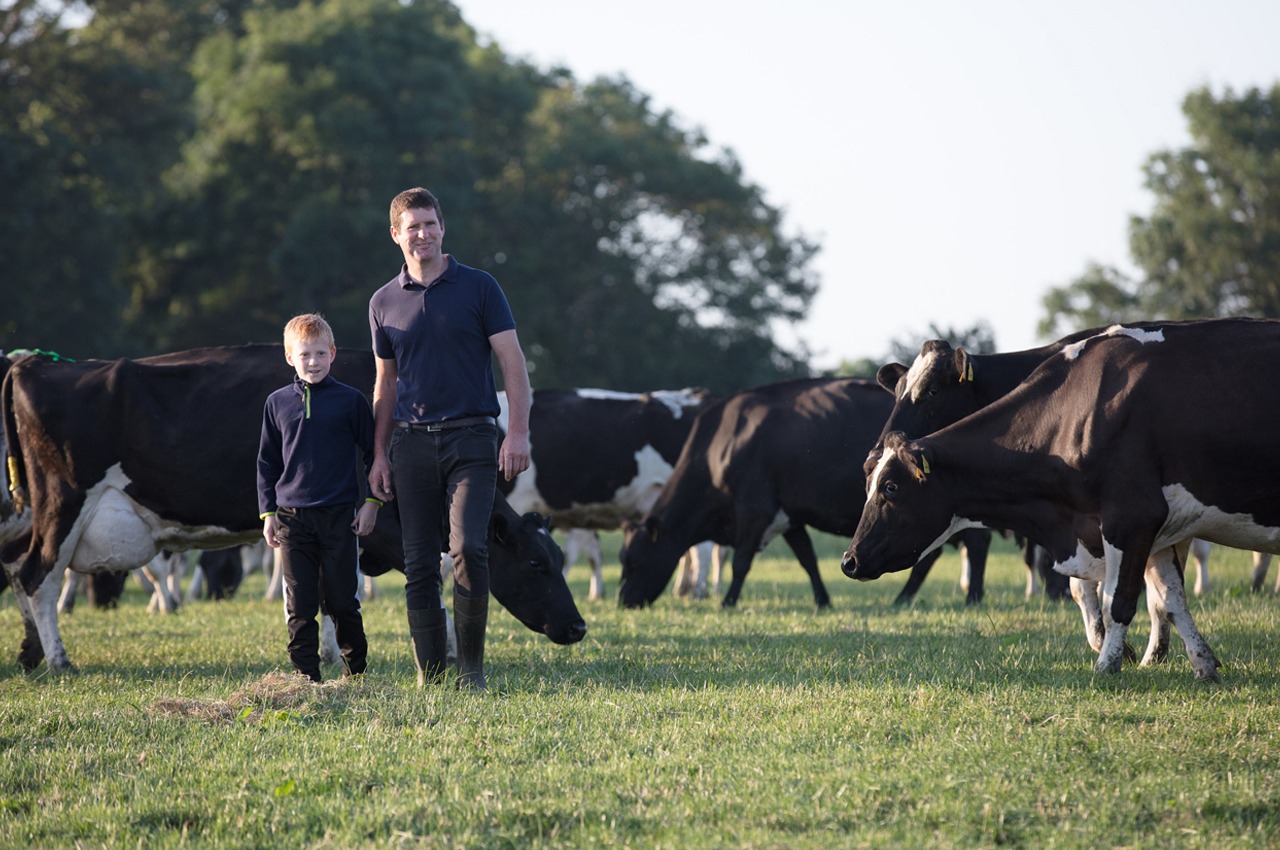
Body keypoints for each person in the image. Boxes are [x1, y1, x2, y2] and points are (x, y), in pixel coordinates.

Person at [367, 187, 532, 692]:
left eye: (430, 224)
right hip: (411, 443)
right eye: (412, 227)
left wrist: (518, 432)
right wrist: (379, 454)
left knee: (468, 548)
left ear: (443, 227)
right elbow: (385, 384)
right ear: (396, 235)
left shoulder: (480, 287)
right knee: (418, 560)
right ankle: (430, 674)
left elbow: (512, 362)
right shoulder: (383, 302)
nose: (423, 234)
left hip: (473, 437)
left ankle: (471, 671)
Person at [257, 313, 381, 682]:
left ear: (333, 353)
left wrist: (371, 503)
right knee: (299, 605)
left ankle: (355, 675)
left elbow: (374, 455)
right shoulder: (277, 403)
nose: (313, 362)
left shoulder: (351, 401)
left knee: (343, 601)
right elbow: (266, 462)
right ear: (289, 357)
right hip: (292, 520)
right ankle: (305, 678)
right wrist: (268, 514)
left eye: (320, 354)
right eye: (305, 354)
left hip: (340, 517)